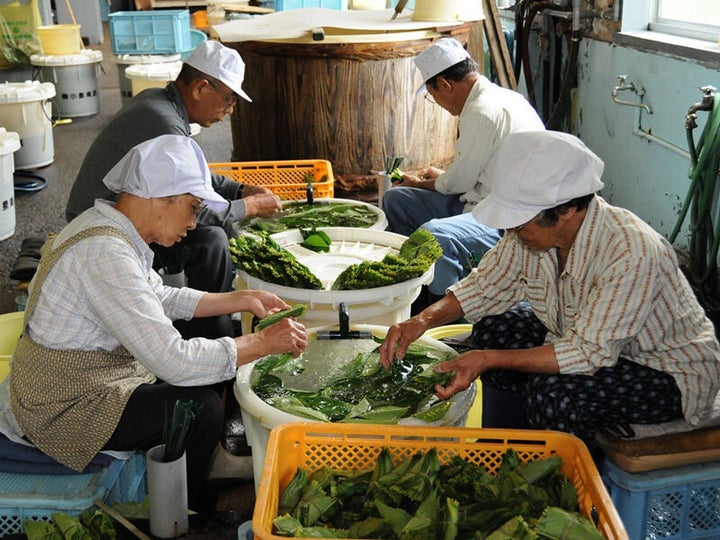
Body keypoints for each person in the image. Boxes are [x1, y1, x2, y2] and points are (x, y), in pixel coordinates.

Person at [8, 135, 308, 514]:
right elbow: (175, 362)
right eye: (192, 208)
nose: (193, 223)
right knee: (199, 409)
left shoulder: (109, 227)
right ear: (161, 197)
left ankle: (205, 458)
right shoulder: (104, 253)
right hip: (66, 404)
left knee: (216, 326)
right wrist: (262, 343)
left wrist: (243, 299)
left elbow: (159, 295)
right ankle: (182, 509)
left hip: (93, 375)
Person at [380, 130, 720, 457]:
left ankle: (567, 485)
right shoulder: (531, 236)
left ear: (567, 209)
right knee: (493, 329)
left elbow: (587, 354)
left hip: (664, 372)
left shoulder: (631, 251)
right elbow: (485, 286)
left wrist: (489, 359)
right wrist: (420, 321)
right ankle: (507, 448)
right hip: (583, 339)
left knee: (554, 393)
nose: (511, 231)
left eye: (520, 222)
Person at [66, 40, 283, 339]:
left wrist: (241, 189)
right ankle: (199, 331)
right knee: (213, 240)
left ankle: (208, 316)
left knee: (218, 231)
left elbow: (196, 175)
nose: (230, 110)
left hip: (107, 214)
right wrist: (252, 207)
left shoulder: (160, 103)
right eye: (229, 99)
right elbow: (198, 210)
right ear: (200, 88)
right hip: (99, 228)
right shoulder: (164, 123)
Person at [382, 37, 544, 305]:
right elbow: (466, 174)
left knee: (434, 235)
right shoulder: (502, 97)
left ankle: (447, 308)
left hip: (505, 217)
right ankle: (415, 281)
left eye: (433, 97)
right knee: (396, 200)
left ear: (445, 85)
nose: (439, 105)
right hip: (480, 198)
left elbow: (459, 181)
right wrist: (439, 178)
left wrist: (422, 182)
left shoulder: (482, 111)